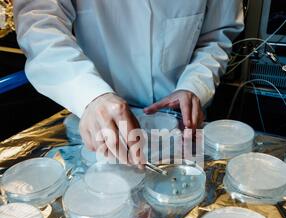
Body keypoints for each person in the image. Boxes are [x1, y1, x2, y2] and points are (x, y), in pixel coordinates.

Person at [14, 0, 244, 164]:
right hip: (99, 113)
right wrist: (90, 94)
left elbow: (217, 36)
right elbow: (39, 26)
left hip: (182, 118)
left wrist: (194, 84)